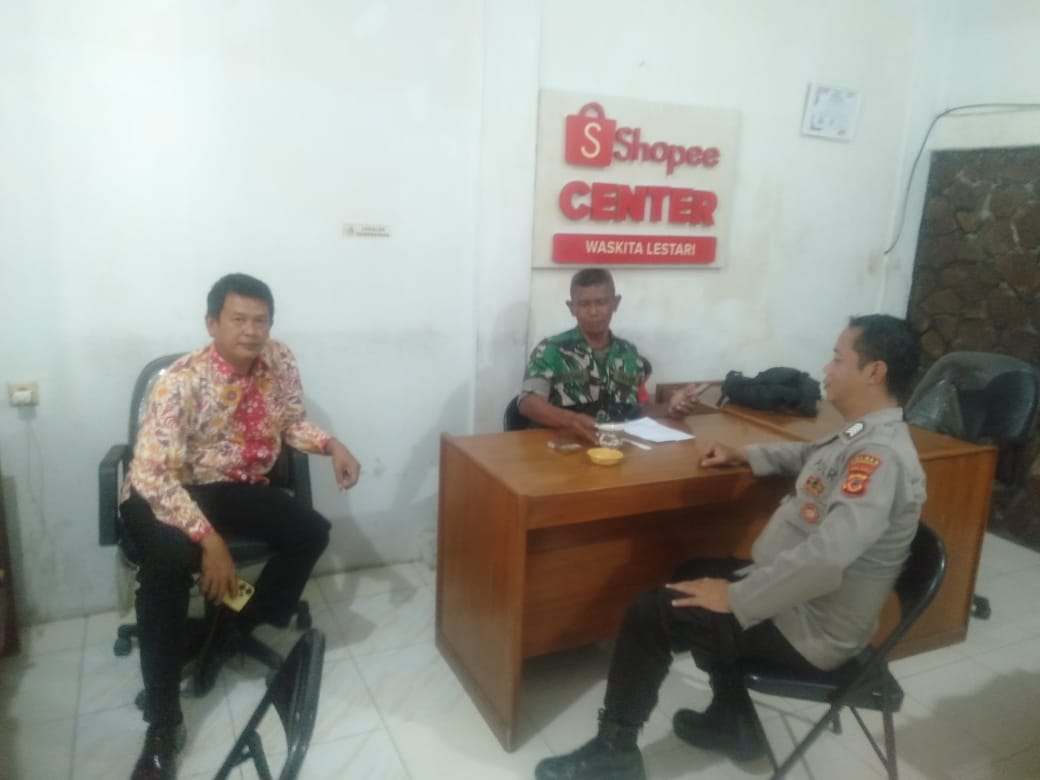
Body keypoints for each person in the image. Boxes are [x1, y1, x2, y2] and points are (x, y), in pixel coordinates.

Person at [534, 314, 926, 780]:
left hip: (812, 629)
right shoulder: (861, 434)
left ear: (874, 372)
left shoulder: (879, 458)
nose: (827, 368)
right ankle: (731, 720)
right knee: (693, 570)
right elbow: (811, 455)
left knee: (652, 611)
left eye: (838, 359)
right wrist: (745, 454)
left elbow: (824, 562)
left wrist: (737, 597)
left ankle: (614, 750)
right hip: (800, 601)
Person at [121, 273, 361, 780]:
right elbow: (152, 473)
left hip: (229, 484)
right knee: (168, 563)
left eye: (261, 320)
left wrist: (331, 445)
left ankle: (233, 624)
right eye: (238, 319)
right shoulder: (179, 382)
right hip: (162, 489)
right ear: (212, 323)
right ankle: (163, 724)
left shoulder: (279, 359)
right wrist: (209, 540)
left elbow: (290, 421)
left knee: (310, 532)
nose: (251, 331)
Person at [517, 268, 703, 444]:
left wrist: (670, 408)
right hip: (561, 448)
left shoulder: (629, 354)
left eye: (601, 302)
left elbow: (637, 411)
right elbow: (528, 403)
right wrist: (571, 420)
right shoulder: (551, 350)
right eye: (584, 304)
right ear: (572, 307)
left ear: (615, 303)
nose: (593, 312)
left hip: (615, 449)